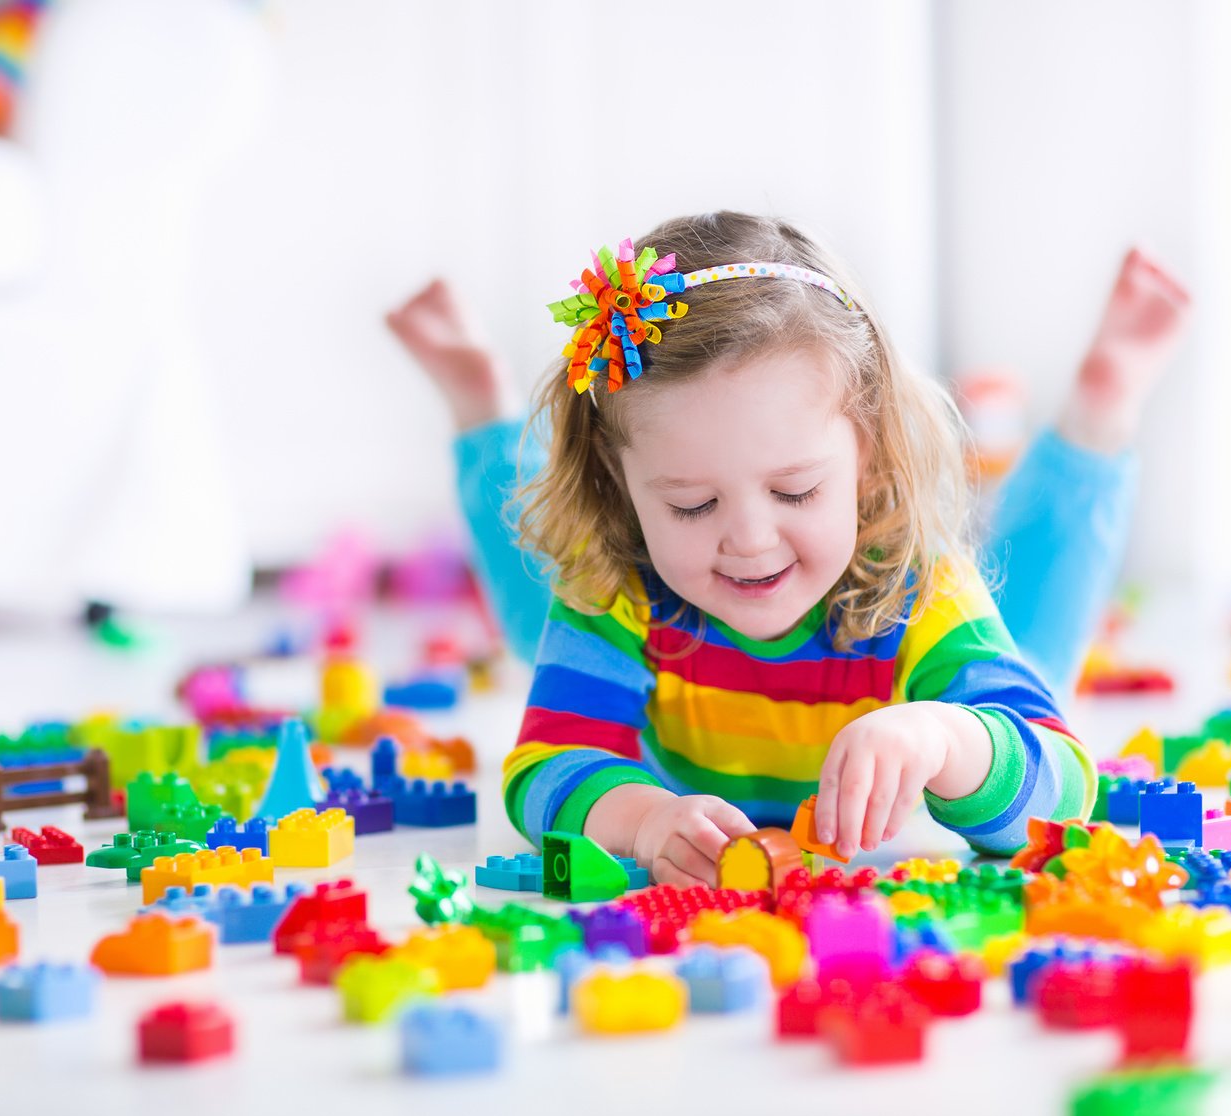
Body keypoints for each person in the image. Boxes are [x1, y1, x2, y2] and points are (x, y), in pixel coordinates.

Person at [388, 212, 1190, 884]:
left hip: (907, 637)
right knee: (550, 590)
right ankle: (480, 402)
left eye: (796, 492)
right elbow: (544, 768)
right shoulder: (619, 586)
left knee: (1034, 654)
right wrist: (639, 818)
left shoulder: (921, 592)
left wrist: (944, 738)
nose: (749, 539)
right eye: (693, 503)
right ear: (626, 484)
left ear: (867, 450)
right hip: (634, 599)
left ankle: (1102, 405)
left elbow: (1062, 790)